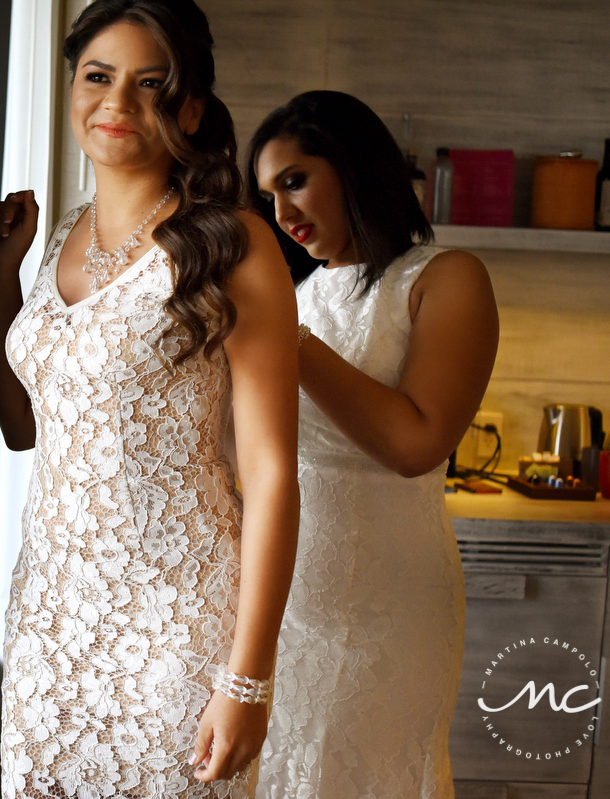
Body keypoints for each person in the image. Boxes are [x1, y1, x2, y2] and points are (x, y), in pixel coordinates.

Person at [0, 0, 300, 798]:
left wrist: (247, 679)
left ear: (190, 110)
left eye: (150, 82)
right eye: (97, 75)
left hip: (175, 631)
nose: (117, 99)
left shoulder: (233, 245)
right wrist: (0, 286)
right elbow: (26, 427)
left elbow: (270, 477)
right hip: (50, 623)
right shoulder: (57, 242)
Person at [246, 90, 499, 799]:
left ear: (355, 166)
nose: (282, 214)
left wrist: (285, 336)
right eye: (268, 195)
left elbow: (416, 440)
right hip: (287, 601)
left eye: (294, 180)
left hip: (389, 603)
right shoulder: (294, 293)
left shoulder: (445, 277)